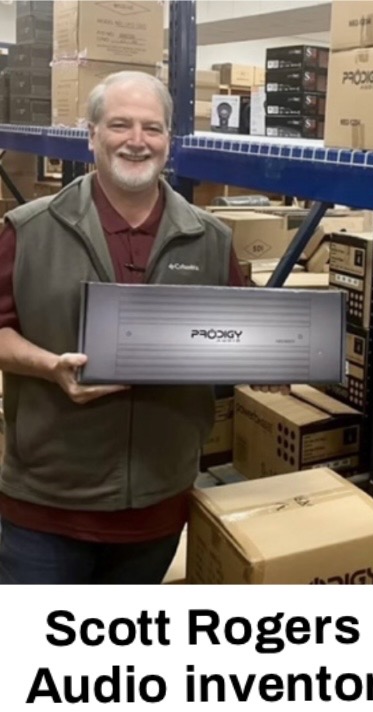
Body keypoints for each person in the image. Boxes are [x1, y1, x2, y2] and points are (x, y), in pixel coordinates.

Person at [0, 71, 266, 584]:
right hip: (47, 506)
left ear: (170, 142)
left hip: (158, 502)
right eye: (120, 124)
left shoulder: (208, 237)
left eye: (153, 127)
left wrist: (269, 361)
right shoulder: (29, 230)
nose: (137, 141)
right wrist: (48, 365)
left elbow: (239, 333)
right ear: (92, 136)